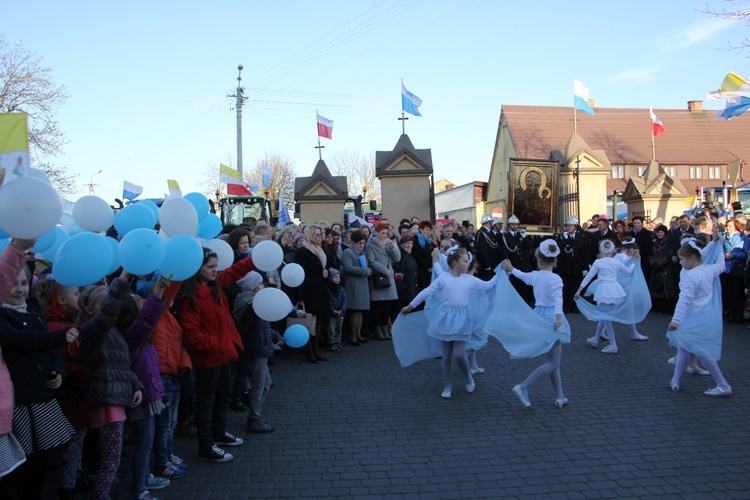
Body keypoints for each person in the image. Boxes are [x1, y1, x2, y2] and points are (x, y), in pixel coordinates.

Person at [0, 266, 76, 498]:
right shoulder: (3, 316)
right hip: (19, 402)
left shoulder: (33, 311)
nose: (20, 289)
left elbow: (52, 351)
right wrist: (58, 336)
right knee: (19, 466)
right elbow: (19, 340)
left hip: (42, 399)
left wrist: (58, 371)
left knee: (41, 462)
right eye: (15, 284)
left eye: (24, 283)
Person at [179, 248, 255, 462]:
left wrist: (255, 259)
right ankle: (205, 445)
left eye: (216, 266)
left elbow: (234, 272)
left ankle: (218, 433)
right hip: (209, 357)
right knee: (205, 402)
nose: (215, 271)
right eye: (210, 267)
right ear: (197, 269)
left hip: (222, 353)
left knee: (223, 396)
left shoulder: (215, 285)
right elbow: (194, 336)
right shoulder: (190, 297)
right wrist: (217, 344)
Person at [77, 272, 145, 499]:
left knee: (109, 459)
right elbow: (107, 312)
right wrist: (123, 278)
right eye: (104, 303)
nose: (112, 308)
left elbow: (120, 365)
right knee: (110, 461)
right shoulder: (93, 330)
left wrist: (136, 385)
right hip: (106, 400)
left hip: (115, 397)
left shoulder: (113, 332)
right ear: (89, 311)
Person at [400, 248, 497, 398]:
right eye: (465, 262)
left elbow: (488, 286)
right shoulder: (444, 279)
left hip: (463, 319)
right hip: (446, 318)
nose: (468, 264)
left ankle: (467, 377)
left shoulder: (469, 280)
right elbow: (426, 292)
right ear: (455, 264)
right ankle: (447, 386)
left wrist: (502, 273)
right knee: (446, 355)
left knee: (458, 354)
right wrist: (410, 306)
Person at [500, 239, 571, 408]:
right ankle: (523, 387)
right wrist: (559, 317)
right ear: (555, 260)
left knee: (554, 361)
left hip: (539, 315)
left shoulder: (535, 275)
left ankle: (560, 395)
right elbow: (558, 299)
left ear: (539, 259)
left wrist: (511, 269)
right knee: (553, 362)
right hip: (552, 316)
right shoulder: (555, 279)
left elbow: (522, 275)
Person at [667, 235, 732, 396]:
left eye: (682, 259)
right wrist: (718, 244)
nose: (680, 262)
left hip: (692, 318)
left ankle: (723, 385)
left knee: (701, 352)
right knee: (683, 348)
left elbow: (684, 300)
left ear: (691, 258)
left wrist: (676, 320)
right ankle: (675, 380)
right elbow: (720, 264)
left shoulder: (691, 276)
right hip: (705, 317)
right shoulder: (709, 270)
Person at [231, 271, 284, 433]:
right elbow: (255, 322)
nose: (263, 286)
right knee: (260, 384)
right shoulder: (252, 304)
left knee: (265, 383)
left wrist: (275, 337)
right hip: (256, 347)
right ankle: (254, 417)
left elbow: (264, 325)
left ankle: (255, 414)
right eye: (260, 284)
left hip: (260, 345)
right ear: (253, 287)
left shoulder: (253, 303)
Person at [574, 239, 639, 354]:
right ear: (612, 250)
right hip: (615, 289)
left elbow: (588, 277)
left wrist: (579, 290)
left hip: (604, 290)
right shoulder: (615, 262)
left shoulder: (598, 262)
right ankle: (595, 339)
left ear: (601, 250)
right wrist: (634, 260)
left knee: (606, 318)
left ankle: (613, 345)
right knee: (604, 316)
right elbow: (628, 271)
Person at [294, 224, 331, 362]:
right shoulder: (303, 252)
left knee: (319, 320)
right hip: (309, 291)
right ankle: (309, 350)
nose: (319, 237)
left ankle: (316, 349)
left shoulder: (320, 250)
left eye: (320, 234)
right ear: (310, 235)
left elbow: (325, 266)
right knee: (310, 321)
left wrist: (327, 270)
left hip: (321, 289)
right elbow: (299, 274)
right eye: (316, 234)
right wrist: (300, 296)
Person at [366, 222, 401, 341]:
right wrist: (384, 270)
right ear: (376, 233)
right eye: (382, 233)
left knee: (387, 305)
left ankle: (385, 329)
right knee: (377, 306)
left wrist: (393, 248)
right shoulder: (370, 244)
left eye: (386, 233)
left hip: (388, 276)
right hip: (378, 276)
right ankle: (378, 330)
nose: (385, 236)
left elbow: (397, 258)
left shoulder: (388, 243)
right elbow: (371, 260)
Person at [340, 230, 371, 346]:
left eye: (363, 243)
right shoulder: (348, 252)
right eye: (359, 243)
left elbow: (366, 266)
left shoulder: (362, 253)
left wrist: (368, 270)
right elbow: (347, 267)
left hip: (362, 283)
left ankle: (358, 334)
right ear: (353, 242)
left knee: (361, 310)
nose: (361, 245)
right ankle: (352, 335)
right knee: (355, 310)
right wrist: (364, 271)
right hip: (353, 283)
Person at [393, 234, 419, 309]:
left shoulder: (410, 254)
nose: (409, 245)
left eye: (411, 243)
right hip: (404, 287)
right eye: (407, 243)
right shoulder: (401, 254)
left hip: (413, 285)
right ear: (402, 244)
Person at [475, 213, 502, 281]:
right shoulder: (481, 233)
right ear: (488, 222)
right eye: (491, 222)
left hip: (493, 264)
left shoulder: (489, 232)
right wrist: (487, 265)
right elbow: (482, 250)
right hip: (487, 266)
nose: (492, 224)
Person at [327, 269, 347, 352]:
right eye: (335, 277)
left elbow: (344, 299)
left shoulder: (341, 288)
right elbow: (328, 301)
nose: (338, 279)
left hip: (340, 312)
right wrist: (332, 310)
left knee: (339, 328)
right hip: (332, 313)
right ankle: (332, 343)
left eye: (338, 277)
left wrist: (342, 310)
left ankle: (338, 342)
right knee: (331, 328)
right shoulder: (328, 289)